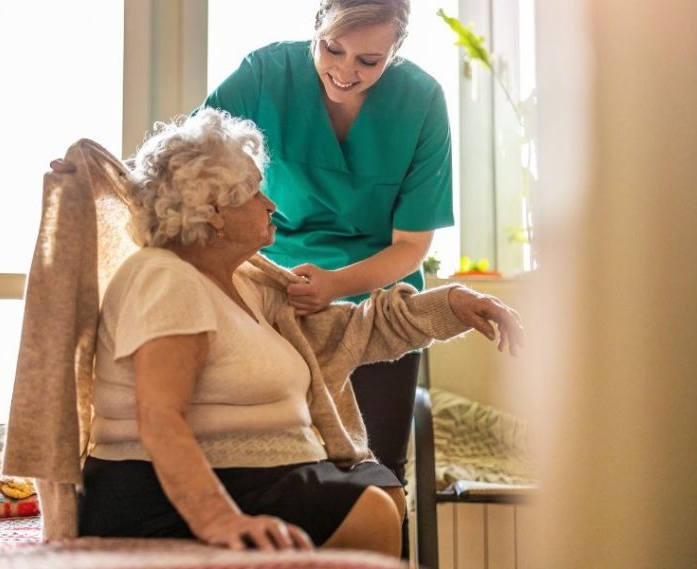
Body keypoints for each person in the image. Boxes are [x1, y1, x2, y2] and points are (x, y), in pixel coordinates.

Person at [73, 108, 522, 556]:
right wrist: (218, 518)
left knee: (381, 494)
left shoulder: (249, 285)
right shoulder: (165, 277)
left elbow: (357, 329)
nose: (270, 204)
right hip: (158, 493)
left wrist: (455, 304)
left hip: (255, 474)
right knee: (370, 511)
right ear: (213, 211)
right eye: (253, 192)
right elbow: (159, 415)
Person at [202, 0, 450, 493]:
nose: (344, 71)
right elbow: (188, 157)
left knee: (378, 476)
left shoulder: (421, 101)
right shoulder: (265, 73)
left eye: (368, 61)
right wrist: (93, 174)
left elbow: (411, 245)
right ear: (316, 26)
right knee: (270, 474)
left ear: (395, 49)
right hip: (271, 296)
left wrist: (338, 285)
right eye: (333, 49)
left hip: (377, 304)